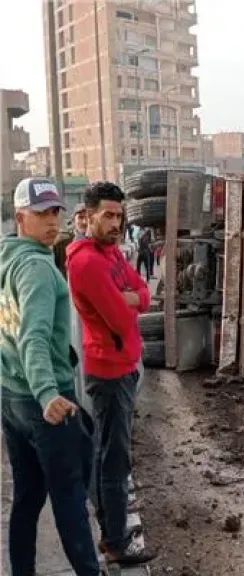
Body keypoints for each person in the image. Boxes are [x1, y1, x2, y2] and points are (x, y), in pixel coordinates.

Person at [0, 177, 101, 576]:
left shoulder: (7, 257)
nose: (52, 221)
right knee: (70, 497)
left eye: (56, 211)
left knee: (26, 496)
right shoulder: (37, 268)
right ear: (20, 216)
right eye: (42, 213)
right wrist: (47, 394)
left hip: (11, 397)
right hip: (42, 400)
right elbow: (33, 337)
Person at [66, 181, 157, 566]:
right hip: (108, 372)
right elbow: (120, 318)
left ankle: (114, 525)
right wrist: (129, 302)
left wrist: (131, 298)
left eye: (119, 216)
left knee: (112, 451)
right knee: (113, 458)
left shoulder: (111, 253)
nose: (115, 223)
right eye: (108, 215)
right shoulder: (86, 262)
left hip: (124, 367)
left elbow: (144, 293)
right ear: (87, 216)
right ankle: (116, 541)